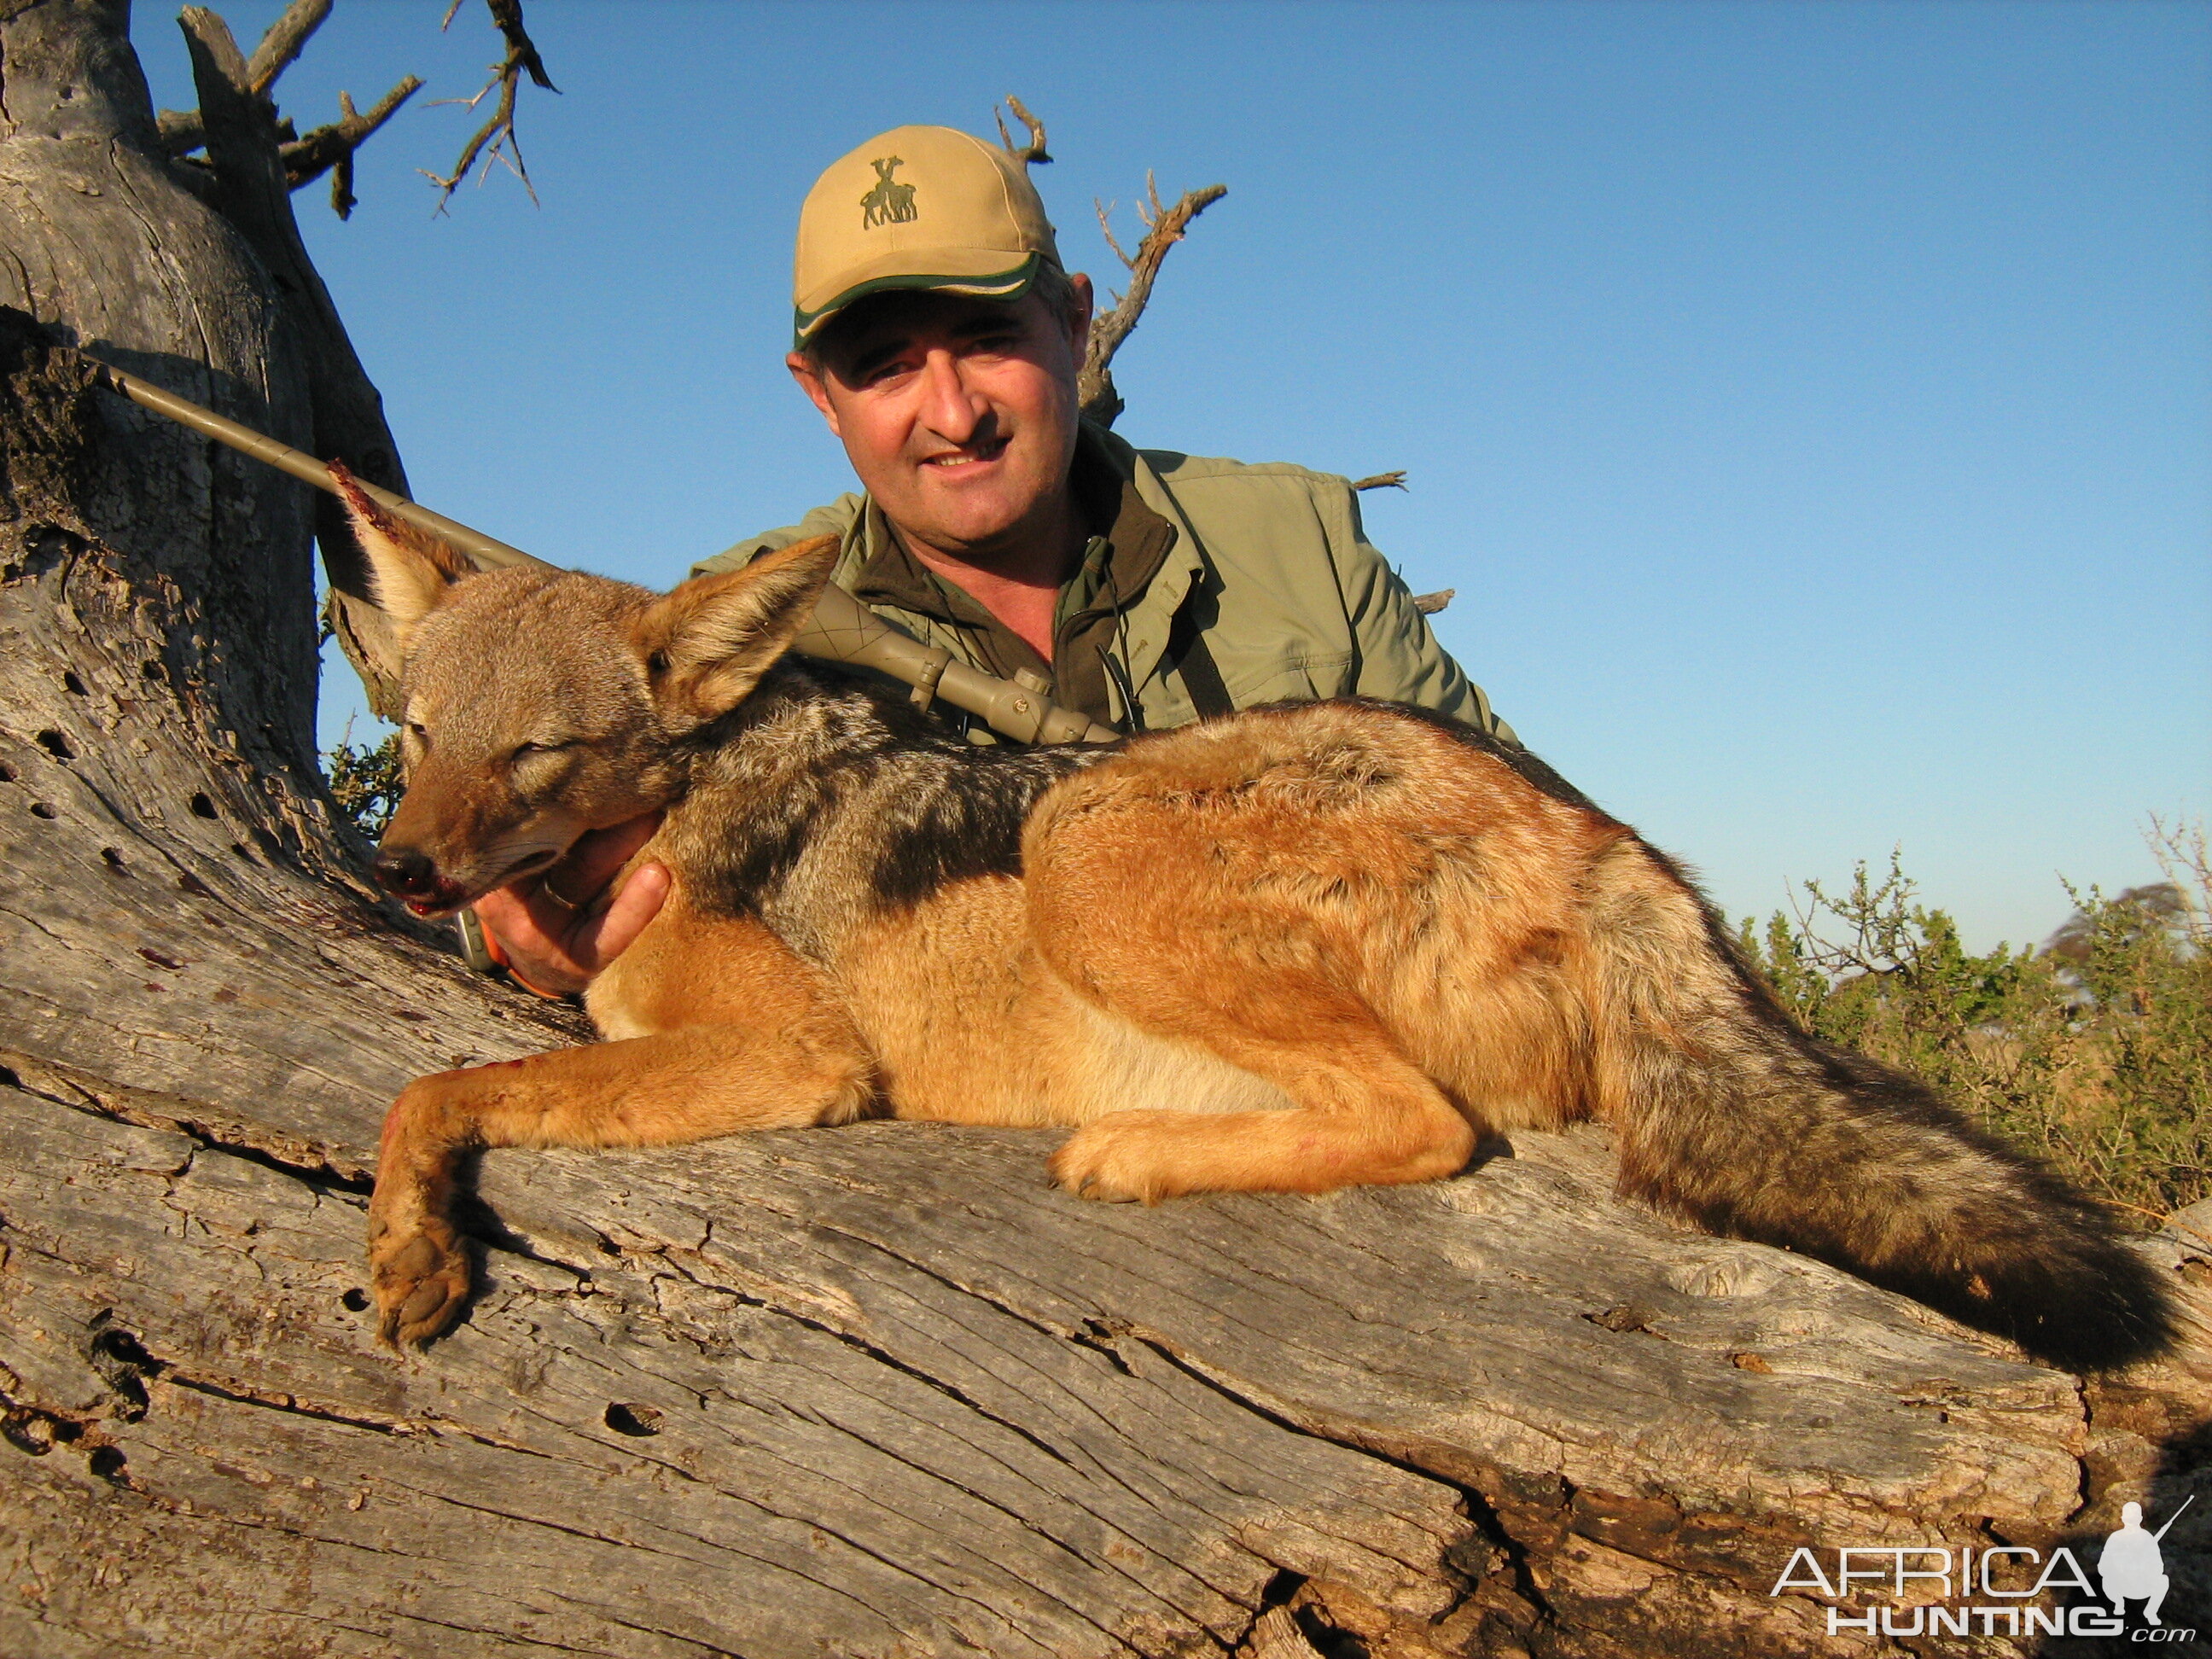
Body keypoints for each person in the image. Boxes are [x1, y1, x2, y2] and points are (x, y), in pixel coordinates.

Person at [475, 124, 1514, 997]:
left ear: (1072, 319)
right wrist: (511, 924)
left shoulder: (1299, 541)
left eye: (986, 339)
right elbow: (526, 837)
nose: (954, 412)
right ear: (816, 392)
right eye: (884, 366)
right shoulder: (719, 633)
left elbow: (1522, 831)